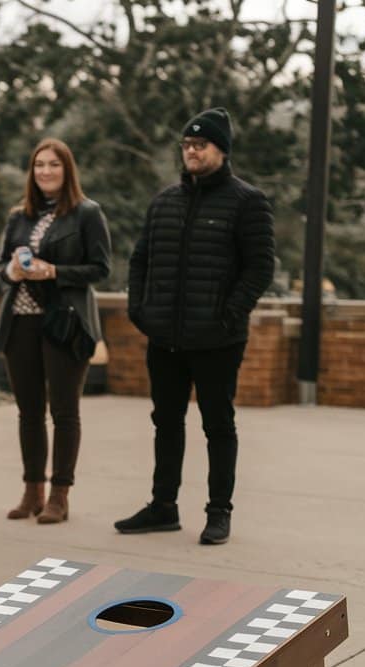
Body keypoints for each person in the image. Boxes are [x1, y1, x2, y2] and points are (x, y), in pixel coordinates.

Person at [115, 108, 275, 545]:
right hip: (164, 337)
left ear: (220, 150)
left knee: (217, 425)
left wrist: (228, 314)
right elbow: (140, 259)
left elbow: (260, 268)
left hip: (218, 341)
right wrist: (138, 309)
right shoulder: (165, 201)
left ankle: (218, 512)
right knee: (166, 422)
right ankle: (163, 507)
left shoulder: (247, 201)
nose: (191, 151)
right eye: (186, 144)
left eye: (200, 145)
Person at [0, 138, 111, 524]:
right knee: (29, 413)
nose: (45, 171)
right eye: (39, 165)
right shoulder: (18, 217)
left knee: (64, 411)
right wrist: (14, 271)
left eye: (53, 165)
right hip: (20, 322)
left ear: (67, 170)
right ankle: (32, 491)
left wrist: (54, 271)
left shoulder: (87, 213)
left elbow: (100, 269)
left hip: (65, 322)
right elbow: (0, 269)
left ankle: (60, 494)